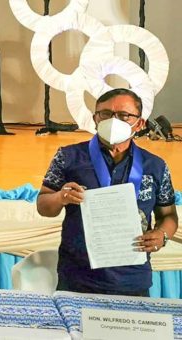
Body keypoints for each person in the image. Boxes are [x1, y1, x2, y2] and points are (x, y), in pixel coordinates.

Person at [37, 88, 178, 297]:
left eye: (124, 115)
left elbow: (168, 216)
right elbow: (43, 206)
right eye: (105, 114)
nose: (114, 120)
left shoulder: (155, 166)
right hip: (77, 277)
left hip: (132, 279)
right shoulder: (68, 157)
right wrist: (60, 197)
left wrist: (162, 235)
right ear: (95, 118)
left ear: (139, 123)